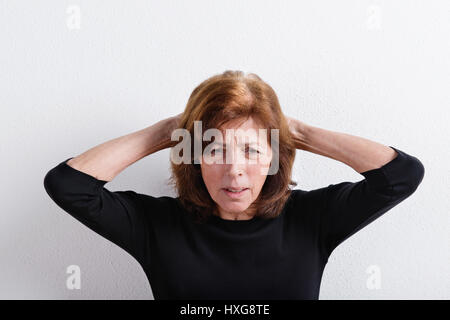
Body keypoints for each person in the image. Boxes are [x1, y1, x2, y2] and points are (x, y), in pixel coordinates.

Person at [43, 70, 425, 300]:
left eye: (251, 150)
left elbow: (401, 176)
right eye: (214, 149)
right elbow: (68, 185)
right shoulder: (156, 224)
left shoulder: (313, 218)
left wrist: (299, 132)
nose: (235, 170)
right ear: (191, 155)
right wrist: (167, 131)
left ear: (275, 157)